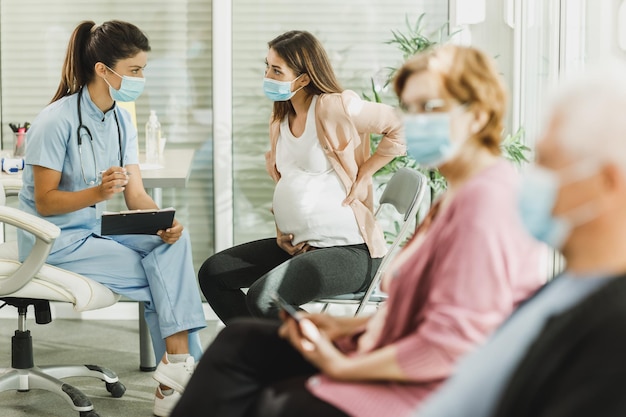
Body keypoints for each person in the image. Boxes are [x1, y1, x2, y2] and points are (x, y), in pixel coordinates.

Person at [171, 44, 546, 417]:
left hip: (412, 387)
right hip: (358, 322)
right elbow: (419, 313)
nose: (414, 122)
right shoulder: (455, 198)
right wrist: (339, 327)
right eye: (409, 108)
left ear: (478, 116)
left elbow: (451, 345)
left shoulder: (487, 205)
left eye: (429, 108)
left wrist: (342, 367)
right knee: (238, 338)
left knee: (256, 373)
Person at [16, 20, 206, 416]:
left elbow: (135, 194)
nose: (141, 78)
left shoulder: (120, 120)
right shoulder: (55, 121)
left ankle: (177, 375)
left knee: (173, 242)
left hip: (93, 232)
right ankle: (181, 382)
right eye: (134, 70)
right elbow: (47, 203)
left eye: (143, 69)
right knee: (165, 281)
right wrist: (98, 193)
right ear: (104, 69)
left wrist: (161, 220)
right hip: (53, 242)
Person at [415, 63, 626, 417]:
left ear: (605, 183)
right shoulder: (568, 288)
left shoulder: (615, 335)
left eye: (545, 161)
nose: (530, 177)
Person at [198, 30, 405, 324]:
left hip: (349, 251)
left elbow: (401, 124)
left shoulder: (335, 107)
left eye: (276, 70)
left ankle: (328, 356)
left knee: (264, 297)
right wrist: (283, 233)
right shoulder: (280, 118)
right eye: (266, 66)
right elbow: (290, 182)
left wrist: (366, 172)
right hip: (302, 246)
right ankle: (267, 355)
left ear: (304, 79)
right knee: (214, 274)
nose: (267, 75)